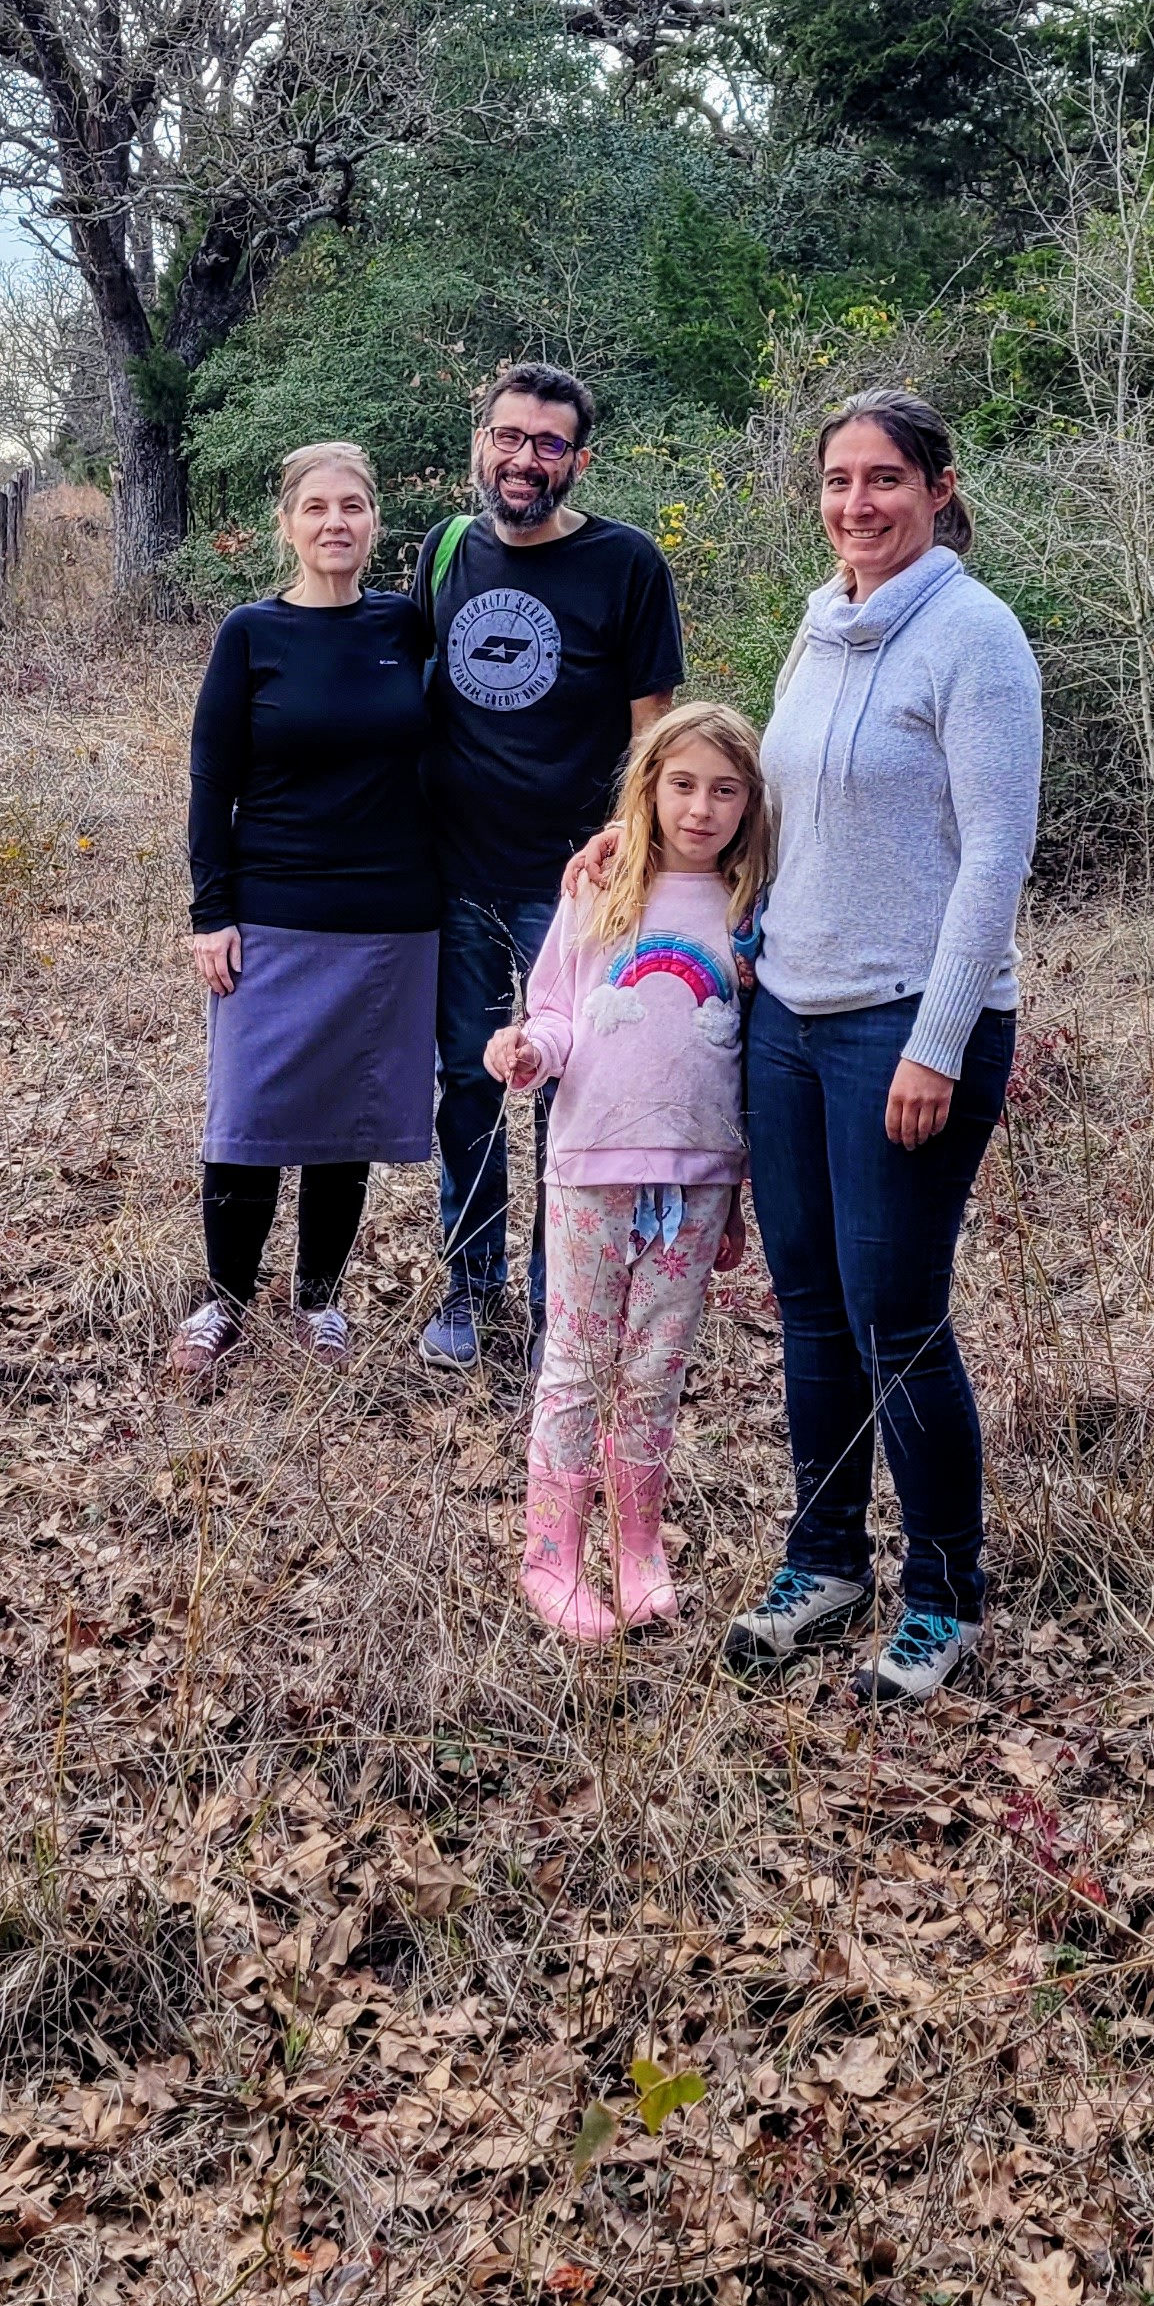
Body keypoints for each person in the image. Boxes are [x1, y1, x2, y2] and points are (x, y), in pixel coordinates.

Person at [715, 390, 1042, 1705]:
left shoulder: (976, 638)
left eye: (884, 480)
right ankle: (825, 1560)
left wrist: (935, 1042)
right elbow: (780, 813)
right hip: (786, 1018)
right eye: (839, 481)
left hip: (908, 1029)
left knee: (896, 1317)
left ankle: (946, 1597)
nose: (858, 503)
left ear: (939, 485)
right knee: (808, 1306)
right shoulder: (820, 621)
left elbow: (993, 863)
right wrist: (736, 931)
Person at [412, 361, 684, 1373]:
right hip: (457, 871)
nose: (525, 459)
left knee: (571, 1088)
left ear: (578, 459)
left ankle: (556, 1303)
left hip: (577, 886)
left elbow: (654, 737)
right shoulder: (445, 552)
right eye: (510, 437)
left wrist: (631, 866)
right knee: (468, 1084)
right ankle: (470, 1287)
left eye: (549, 444)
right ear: (480, 439)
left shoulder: (627, 566)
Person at [485, 701, 771, 1641]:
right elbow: (558, 1011)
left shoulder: (751, 906)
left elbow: (743, 1053)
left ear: (750, 802)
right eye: (682, 784)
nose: (701, 808)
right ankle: (551, 1556)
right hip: (590, 1169)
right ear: (647, 788)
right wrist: (529, 1052)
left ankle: (638, 1544)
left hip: (696, 1177)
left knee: (656, 1366)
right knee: (574, 1363)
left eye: (725, 790)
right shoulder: (600, 890)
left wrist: (734, 1195)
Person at [178, 440, 438, 1388]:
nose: (338, 522)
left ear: (375, 522)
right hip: (274, 906)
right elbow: (213, 783)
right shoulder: (252, 633)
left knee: (347, 1115)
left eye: (355, 506)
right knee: (249, 1108)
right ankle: (223, 1302)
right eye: (318, 507)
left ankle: (321, 1298)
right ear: (287, 523)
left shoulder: (408, 627)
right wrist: (214, 911)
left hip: (391, 911)